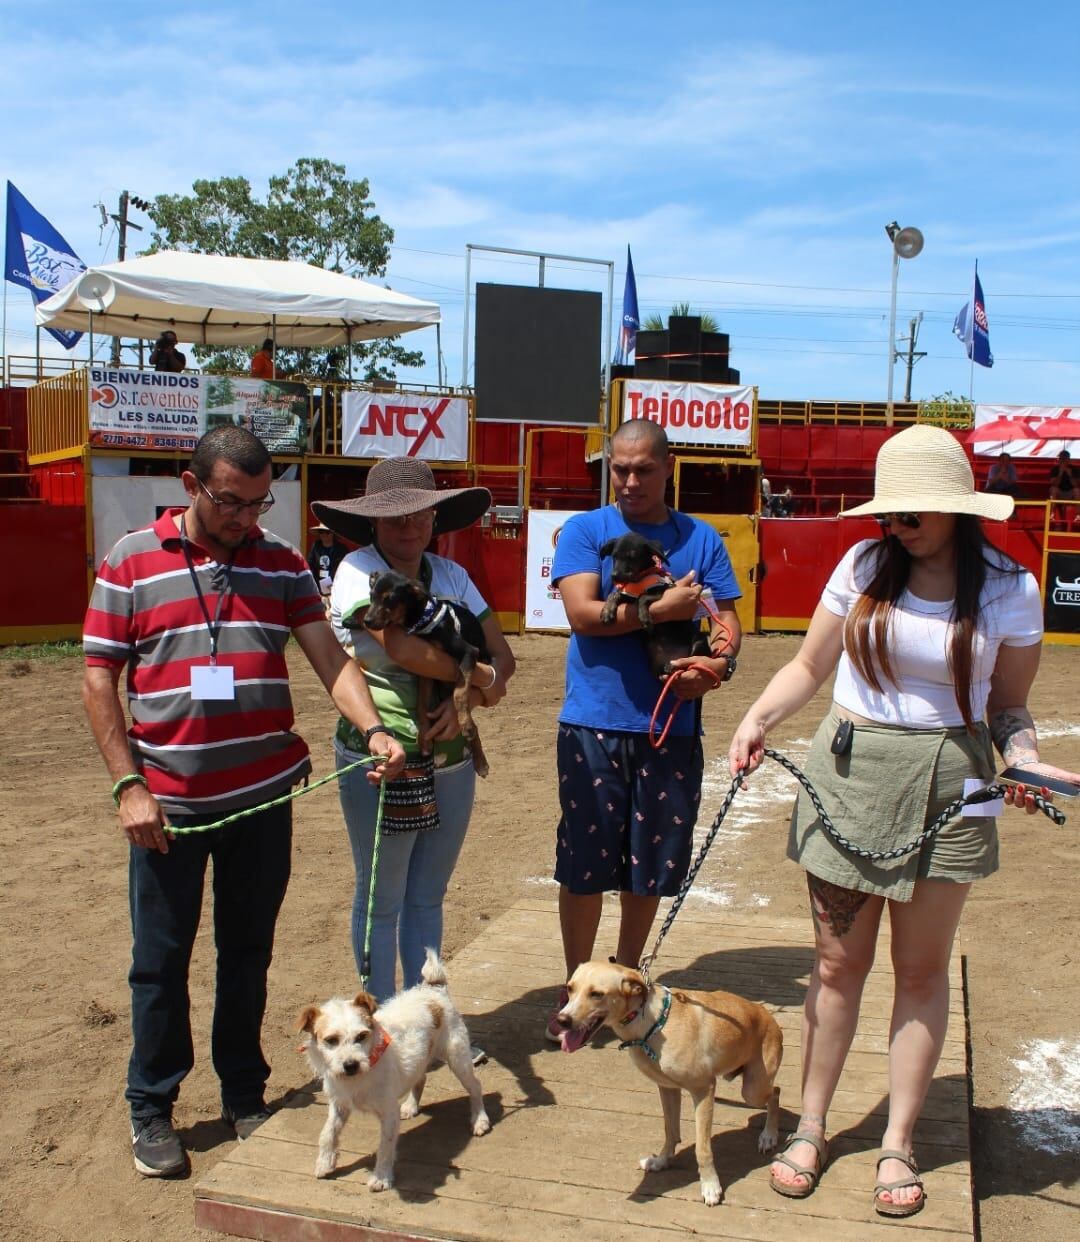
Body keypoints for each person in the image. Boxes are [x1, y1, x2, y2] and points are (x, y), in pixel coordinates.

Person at [727, 424, 1080, 1218]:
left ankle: (899, 1140)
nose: (897, 523)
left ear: (956, 507)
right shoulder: (861, 566)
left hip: (951, 784)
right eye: (890, 511)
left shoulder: (1009, 586)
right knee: (835, 968)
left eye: (913, 510)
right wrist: (757, 719)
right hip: (849, 773)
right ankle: (812, 1126)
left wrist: (1019, 760)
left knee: (921, 973)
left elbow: (1009, 706)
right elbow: (808, 665)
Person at [82, 426, 406, 1180]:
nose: (245, 518)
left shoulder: (282, 562)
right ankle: (152, 1106)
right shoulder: (130, 560)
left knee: (247, 956)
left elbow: (330, 656)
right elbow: (98, 676)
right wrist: (128, 784)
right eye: (231, 502)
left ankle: (242, 1091)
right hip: (166, 807)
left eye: (259, 503)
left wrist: (376, 728)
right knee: (159, 964)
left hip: (260, 801)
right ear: (191, 486)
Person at [547, 419, 742, 1039]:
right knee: (584, 866)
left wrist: (714, 669)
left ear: (668, 467)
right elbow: (581, 614)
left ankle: (624, 987)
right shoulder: (585, 531)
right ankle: (576, 992)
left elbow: (729, 627)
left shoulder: (702, 538)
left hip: (670, 729)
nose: (630, 481)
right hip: (593, 723)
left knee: (648, 866)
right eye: (619, 469)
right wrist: (663, 609)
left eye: (643, 469)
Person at [314, 457, 516, 1006]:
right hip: (382, 749)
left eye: (419, 514)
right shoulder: (358, 570)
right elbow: (398, 647)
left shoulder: (452, 575)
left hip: (449, 755)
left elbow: (506, 659)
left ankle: (422, 1020)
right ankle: (378, 1023)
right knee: (382, 897)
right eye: (394, 517)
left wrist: (469, 698)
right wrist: (478, 683)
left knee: (427, 896)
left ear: (434, 517)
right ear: (373, 524)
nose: (408, 527)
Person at [307, 521, 346, 607]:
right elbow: (310, 566)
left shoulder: (342, 550)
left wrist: (332, 590)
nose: (324, 535)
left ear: (333, 534)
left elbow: (344, 571)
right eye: (321, 532)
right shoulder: (316, 547)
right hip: (318, 587)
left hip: (336, 588)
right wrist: (315, 588)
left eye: (327, 532)